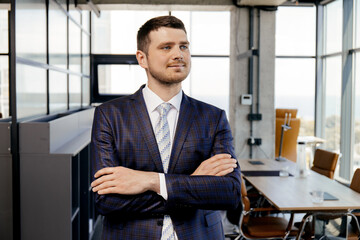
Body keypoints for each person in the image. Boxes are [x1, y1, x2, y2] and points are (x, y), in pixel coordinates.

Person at [90, 15, 241, 240]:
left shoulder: (213, 117)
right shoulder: (110, 115)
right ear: (142, 58)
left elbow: (229, 193)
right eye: (166, 47)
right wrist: (194, 183)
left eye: (184, 46)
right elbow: (106, 201)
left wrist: (150, 181)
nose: (178, 54)